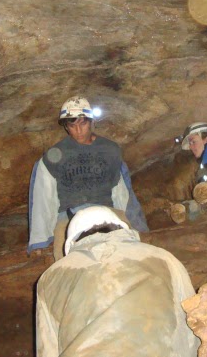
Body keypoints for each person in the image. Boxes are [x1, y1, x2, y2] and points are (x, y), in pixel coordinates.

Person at [35, 206, 201, 357]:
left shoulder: (51, 277)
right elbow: (192, 326)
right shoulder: (164, 259)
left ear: (73, 242)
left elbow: (48, 348)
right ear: (120, 227)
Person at [28, 95, 148, 260]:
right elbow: (42, 197)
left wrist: (139, 227)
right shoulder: (53, 156)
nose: (78, 130)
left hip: (108, 212)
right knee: (65, 265)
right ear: (66, 127)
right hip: (69, 217)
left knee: (133, 257)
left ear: (92, 122)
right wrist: (39, 240)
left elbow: (123, 191)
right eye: (72, 125)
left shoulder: (110, 150)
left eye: (83, 123)